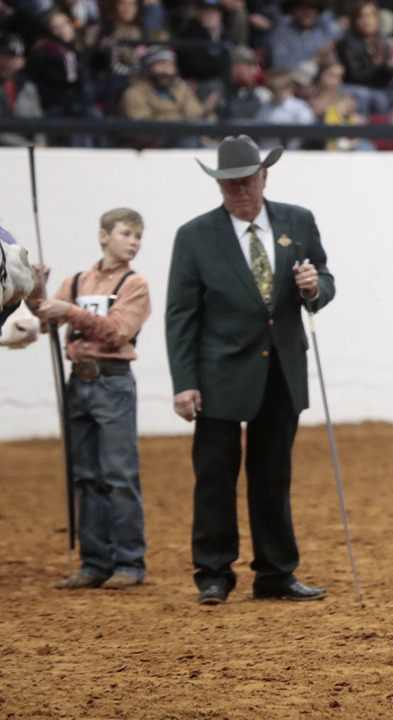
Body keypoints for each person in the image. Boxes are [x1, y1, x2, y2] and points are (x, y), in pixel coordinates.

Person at [166, 135, 335, 606]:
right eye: (228, 183)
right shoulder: (195, 235)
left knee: (273, 475)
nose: (238, 190)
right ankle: (214, 573)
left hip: (281, 368)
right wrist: (184, 382)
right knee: (215, 475)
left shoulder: (297, 221)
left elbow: (324, 279)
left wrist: (314, 286)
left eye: (246, 180)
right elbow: (180, 315)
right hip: (217, 372)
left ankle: (276, 572)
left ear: (264, 176)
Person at [26, 209, 150, 591]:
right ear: (103, 236)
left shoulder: (135, 284)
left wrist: (70, 311)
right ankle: (94, 562)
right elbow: (45, 319)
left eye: (138, 236)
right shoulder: (76, 281)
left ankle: (129, 562)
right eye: (127, 233)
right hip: (77, 384)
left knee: (118, 474)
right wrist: (35, 291)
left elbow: (116, 332)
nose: (134, 242)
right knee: (85, 476)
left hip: (112, 382)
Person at [119, 47, 218, 148]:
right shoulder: (134, 94)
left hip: (197, 142)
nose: (167, 70)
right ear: (147, 68)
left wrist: (205, 112)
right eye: (161, 64)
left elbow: (197, 116)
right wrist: (179, 119)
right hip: (156, 147)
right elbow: (143, 131)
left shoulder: (182, 91)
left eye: (170, 65)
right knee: (186, 139)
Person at [337, 0, 393, 115]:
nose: (366, 21)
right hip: (352, 86)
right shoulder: (348, 42)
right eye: (361, 17)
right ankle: (362, 131)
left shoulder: (383, 41)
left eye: (370, 16)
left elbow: (387, 78)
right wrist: (378, 64)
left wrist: (390, 65)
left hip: (377, 88)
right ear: (354, 20)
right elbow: (356, 76)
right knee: (368, 96)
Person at [268, 0, 342, 72]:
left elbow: (332, 61)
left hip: (324, 81)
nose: (307, 13)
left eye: (312, 8)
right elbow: (280, 65)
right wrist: (315, 60)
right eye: (302, 8)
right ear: (293, 10)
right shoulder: (282, 33)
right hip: (292, 80)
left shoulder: (323, 31)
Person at [0, 34, 44, 147]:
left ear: (21, 60)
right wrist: (29, 146)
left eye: (11, 56)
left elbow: (38, 123)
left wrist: (40, 143)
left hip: (27, 153)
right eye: (2, 55)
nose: (4, 61)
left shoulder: (28, 88)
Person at [255, 68, 315, 149]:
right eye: (273, 89)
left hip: (292, 156)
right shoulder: (264, 109)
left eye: (281, 88)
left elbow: (307, 134)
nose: (277, 93)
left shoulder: (300, 108)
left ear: (290, 87)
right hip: (266, 154)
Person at [223, 45, 270, 120]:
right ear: (234, 67)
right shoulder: (217, 92)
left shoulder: (262, 95)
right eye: (249, 65)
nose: (256, 70)